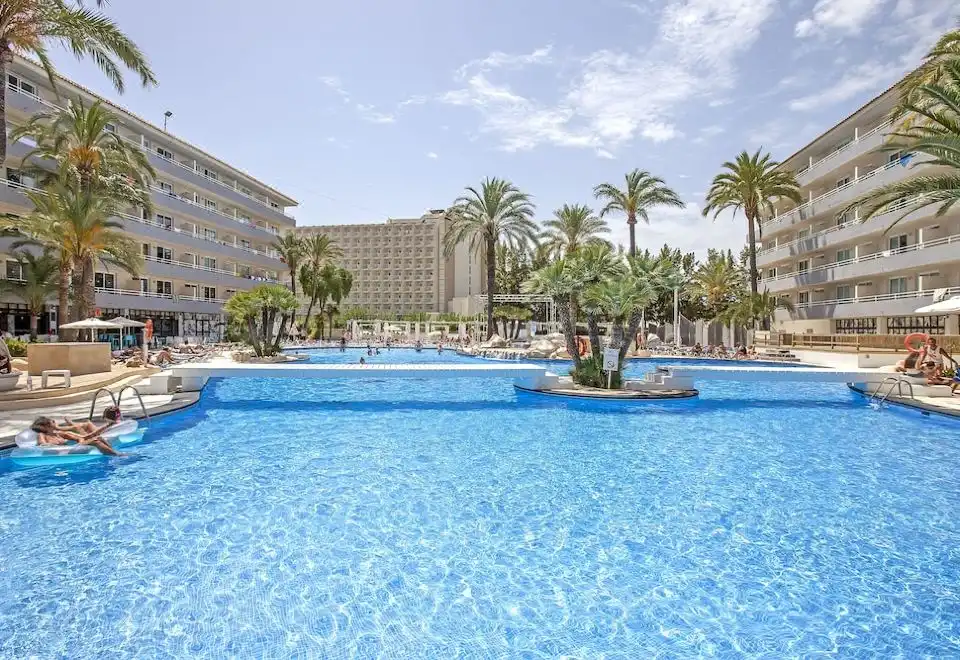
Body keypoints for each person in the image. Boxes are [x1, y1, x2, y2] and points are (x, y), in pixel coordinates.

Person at [31, 415, 123, 456]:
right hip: (61, 455)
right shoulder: (42, 435)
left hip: (68, 452)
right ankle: (117, 455)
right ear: (47, 426)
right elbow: (42, 445)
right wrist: (51, 446)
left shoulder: (60, 434)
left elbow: (84, 437)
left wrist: (107, 425)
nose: (56, 422)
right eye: (53, 421)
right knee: (95, 441)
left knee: (98, 438)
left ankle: (113, 454)